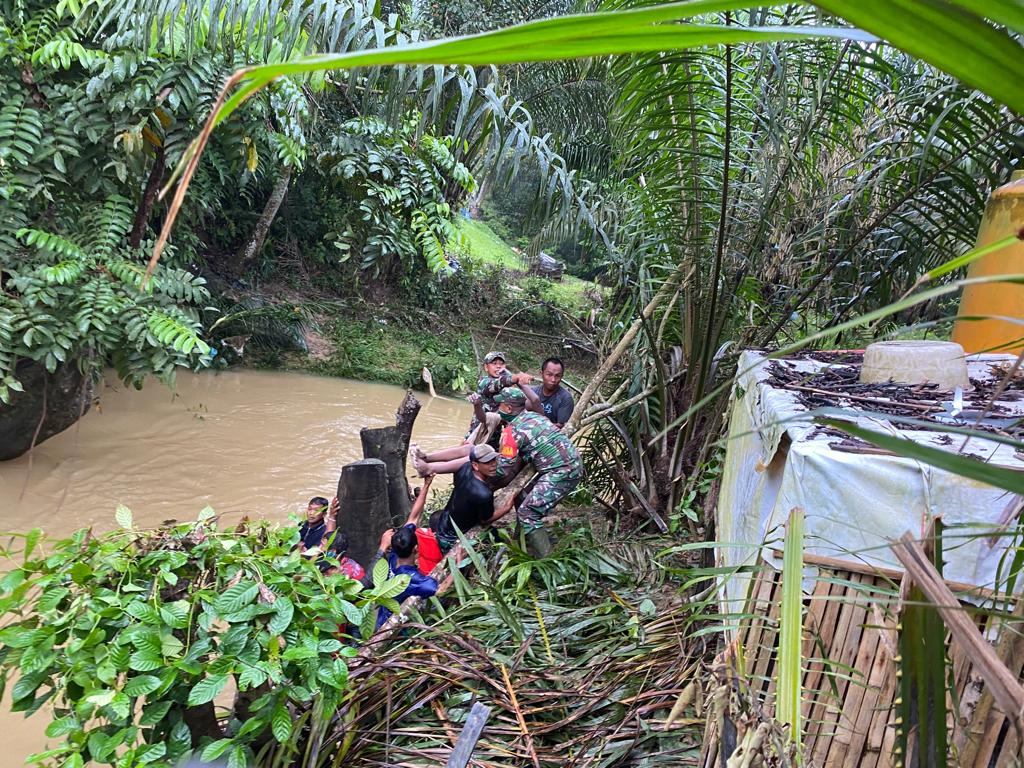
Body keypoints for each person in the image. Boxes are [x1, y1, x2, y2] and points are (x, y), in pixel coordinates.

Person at [492, 386, 583, 557]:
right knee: (522, 495)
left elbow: (502, 469)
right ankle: (522, 539)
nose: (499, 409)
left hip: (560, 472)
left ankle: (547, 560)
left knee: (527, 513)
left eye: (501, 405)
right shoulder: (534, 416)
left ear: (509, 408)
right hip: (573, 464)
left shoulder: (512, 433)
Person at [411, 351, 537, 471]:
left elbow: (527, 399)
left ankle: (427, 461)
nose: (498, 367)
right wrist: (516, 377)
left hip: (496, 434)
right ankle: (427, 461)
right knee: (468, 457)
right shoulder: (484, 382)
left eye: (501, 364)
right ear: (486, 367)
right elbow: (500, 383)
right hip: (479, 430)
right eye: (494, 364)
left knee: (477, 464)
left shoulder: (509, 387)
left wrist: (519, 381)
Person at [402, 445, 514, 572]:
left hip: (444, 521)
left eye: (494, 460)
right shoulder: (484, 494)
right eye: (488, 462)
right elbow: (485, 520)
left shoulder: (464, 468)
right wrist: (506, 508)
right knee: (491, 544)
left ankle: (427, 460)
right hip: (452, 538)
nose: (493, 465)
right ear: (476, 465)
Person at [368, 526, 439, 630]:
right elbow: (438, 589)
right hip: (394, 626)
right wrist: (457, 564)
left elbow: (410, 524)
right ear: (416, 549)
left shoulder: (393, 556)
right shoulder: (410, 578)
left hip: (382, 616)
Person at [532, 357, 575, 428]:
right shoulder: (533, 392)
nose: (553, 380)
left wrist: (536, 427)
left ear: (561, 376)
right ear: (541, 374)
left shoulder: (565, 398)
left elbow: (561, 427)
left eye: (557, 376)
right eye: (549, 374)